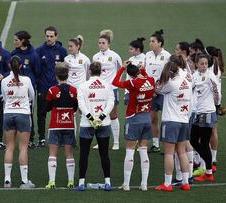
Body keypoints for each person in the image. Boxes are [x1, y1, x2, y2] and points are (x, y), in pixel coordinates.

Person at [112, 61, 155, 191]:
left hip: (134, 119)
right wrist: (143, 70)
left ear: (130, 75)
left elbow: (115, 82)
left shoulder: (132, 83)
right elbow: (146, 78)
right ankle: (144, 184)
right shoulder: (151, 80)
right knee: (143, 150)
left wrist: (122, 69)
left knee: (130, 151)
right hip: (147, 118)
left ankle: (126, 184)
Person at [74, 62, 115, 191]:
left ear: (90, 71)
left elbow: (81, 105)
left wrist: (91, 118)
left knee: (84, 154)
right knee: (104, 154)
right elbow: (111, 103)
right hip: (104, 123)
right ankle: (107, 182)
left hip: (87, 124)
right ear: (101, 72)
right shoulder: (107, 86)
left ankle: (81, 183)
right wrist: (101, 117)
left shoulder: (82, 86)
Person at [155, 59, 192, 192]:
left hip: (171, 121)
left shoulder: (171, 83)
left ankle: (167, 183)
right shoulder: (187, 80)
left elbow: (157, 90)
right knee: (182, 152)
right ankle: (186, 182)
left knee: (169, 154)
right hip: (183, 120)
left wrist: (159, 81)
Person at [1, 56, 35, 188]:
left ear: (9, 66)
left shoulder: (4, 81)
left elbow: (4, 97)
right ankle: (24, 180)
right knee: (23, 148)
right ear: (20, 66)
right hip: (23, 114)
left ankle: (7, 180)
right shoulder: (26, 80)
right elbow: (32, 95)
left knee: (9, 147)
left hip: (8, 114)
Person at [45, 62, 78, 189]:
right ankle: (70, 181)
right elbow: (75, 107)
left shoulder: (52, 90)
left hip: (55, 125)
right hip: (69, 124)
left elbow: (47, 108)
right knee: (69, 153)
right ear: (67, 75)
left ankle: (52, 182)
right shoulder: (73, 90)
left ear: (56, 76)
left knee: (53, 153)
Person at [35, 26, 67, 148]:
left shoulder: (62, 51)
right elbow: (37, 69)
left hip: (57, 88)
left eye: (51, 36)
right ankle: (42, 138)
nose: (49, 38)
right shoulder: (39, 51)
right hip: (43, 87)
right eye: (47, 36)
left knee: (58, 113)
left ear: (56, 37)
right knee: (41, 113)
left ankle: (59, 138)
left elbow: (65, 70)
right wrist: (39, 83)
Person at [190, 54, 219, 182]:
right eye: (202, 63)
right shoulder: (195, 75)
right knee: (193, 140)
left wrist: (216, 105)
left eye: (206, 63)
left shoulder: (210, 76)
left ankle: (208, 171)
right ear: (197, 64)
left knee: (204, 142)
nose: (204, 66)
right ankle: (209, 164)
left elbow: (217, 92)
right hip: (197, 112)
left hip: (207, 113)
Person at [92, 29, 122, 150]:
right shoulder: (95, 56)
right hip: (99, 90)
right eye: (99, 43)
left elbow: (121, 70)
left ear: (108, 44)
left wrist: (115, 84)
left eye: (103, 43)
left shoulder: (115, 56)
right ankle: (101, 141)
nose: (101, 45)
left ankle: (116, 142)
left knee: (113, 115)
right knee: (99, 115)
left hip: (112, 89)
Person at [11, 30, 40, 149]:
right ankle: (14, 136)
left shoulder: (33, 55)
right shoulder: (13, 53)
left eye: (16, 40)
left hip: (28, 90)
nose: (14, 42)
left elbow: (37, 72)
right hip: (15, 89)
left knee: (28, 113)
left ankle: (30, 138)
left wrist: (32, 85)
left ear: (23, 41)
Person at [145, 29, 171, 153]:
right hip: (151, 92)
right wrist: (151, 89)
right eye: (150, 41)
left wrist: (159, 88)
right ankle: (155, 144)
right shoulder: (148, 55)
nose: (151, 43)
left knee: (166, 119)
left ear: (160, 43)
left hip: (164, 92)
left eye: (153, 41)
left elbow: (169, 75)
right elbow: (145, 73)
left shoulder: (167, 56)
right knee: (153, 118)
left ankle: (168, 145)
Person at [205, 46, 224, 173]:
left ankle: (206, 160)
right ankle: (214, 158)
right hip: (215, 103)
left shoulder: (209, 69)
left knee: (204, 132)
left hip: (208, 103)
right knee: (213, 131)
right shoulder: (218, 67)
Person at [124, 37, 146, 105]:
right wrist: (126, 89)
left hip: (140, 90)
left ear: (138, 49)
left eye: (131, 49)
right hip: (129, 90)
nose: (129, 51)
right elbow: (128, 76)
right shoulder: (131, 59)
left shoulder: (145, 58)